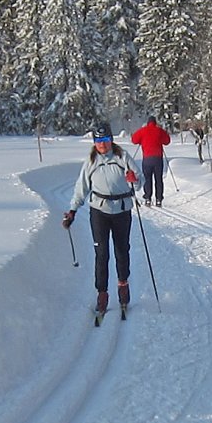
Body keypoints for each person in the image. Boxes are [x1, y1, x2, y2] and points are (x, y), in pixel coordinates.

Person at [63, 121, 139, 316]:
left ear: (111, 139)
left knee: (122, 250)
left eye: (105, 139)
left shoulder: (122, 157)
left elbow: (139, 182)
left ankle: (123, 286)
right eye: (98, 140)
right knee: (101, 253)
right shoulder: (91, 161)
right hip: (99, 211)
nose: (102, 144)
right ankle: (102, 294)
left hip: (122, 210)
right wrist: (72, 211)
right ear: (94, 142)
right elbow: (81, 188)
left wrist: (134, 179)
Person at [130, 115, 171, 206]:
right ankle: (158, 199)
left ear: (148, 123)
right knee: (158, 179)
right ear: (155, 123)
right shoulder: (159, 130)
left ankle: (148, 198)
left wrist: (141, 140)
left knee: (147, 178)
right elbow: (167, 141)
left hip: (147, 159)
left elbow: (134, 140)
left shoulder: (143, 130)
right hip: (158, 159)